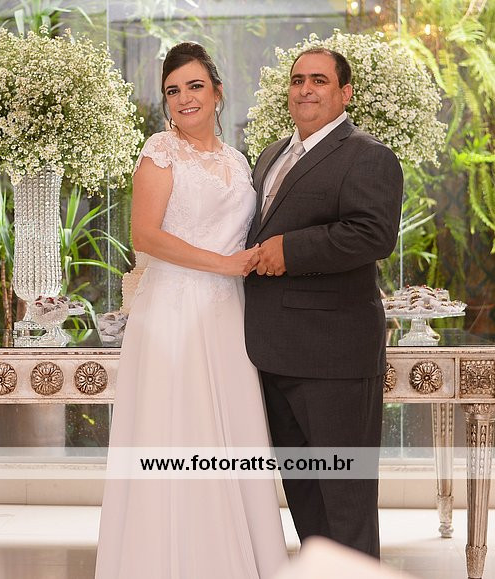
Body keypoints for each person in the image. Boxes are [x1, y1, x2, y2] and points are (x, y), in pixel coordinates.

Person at [95, 43, 287, 578]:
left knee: (232, 435)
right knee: (178, 432)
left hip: (229, 317)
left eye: (195, 86)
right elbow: (145, 236)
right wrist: (224, 265)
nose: (184, 98)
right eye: (173, 91)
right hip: (173, 313)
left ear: (218, 92)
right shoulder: (160, 151)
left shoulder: (239, 161)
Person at [244, 48, 404, 558]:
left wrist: (290, 251)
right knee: (306, 499)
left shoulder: (368, 155)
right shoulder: (270, 155)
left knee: (345, 502)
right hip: (272, 354)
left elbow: (373, 235)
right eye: (297, 80)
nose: (305, 89)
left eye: (318, 80)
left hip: (335, 359)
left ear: (345, 93)